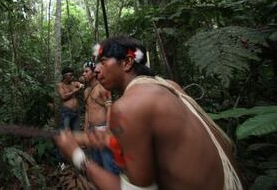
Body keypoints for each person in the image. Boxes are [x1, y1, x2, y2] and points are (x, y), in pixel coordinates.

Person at [55, 36, 243, 190]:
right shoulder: (169, 86)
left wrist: (77, 155)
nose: (96, 69)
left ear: (127, 62)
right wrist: (82, 138)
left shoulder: (129, 105)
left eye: (103, 62)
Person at [82, 60, 119, 175]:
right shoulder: (86, 91)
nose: (83, 74)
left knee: (109, 163)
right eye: (83, 72)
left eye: (86, 71)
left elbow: (110, 108)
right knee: (96, 161)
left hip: (102, 130)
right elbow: (88, 110)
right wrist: (85, 127)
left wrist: (108, 129)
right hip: (92, 131)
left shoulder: (103, 88)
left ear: (94, 73)